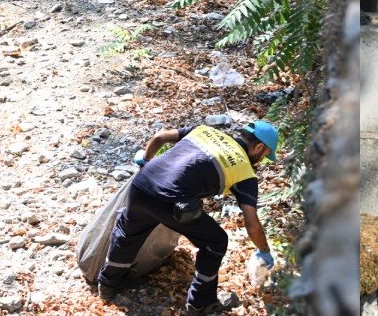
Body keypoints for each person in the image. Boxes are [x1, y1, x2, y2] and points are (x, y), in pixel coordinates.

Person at [97, 121, 279, 315]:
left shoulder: (206, 131)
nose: (261, 160)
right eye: (265, 155)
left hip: (141, 183)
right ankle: (200, 304)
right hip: (171, 202)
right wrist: (264, 250)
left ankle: (108, 284)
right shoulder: (245, 172)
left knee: (128, 232)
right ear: (259, 147)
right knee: (216, 242)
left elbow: (160, 137)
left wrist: (146, 160)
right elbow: (252, 225)